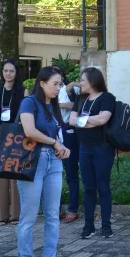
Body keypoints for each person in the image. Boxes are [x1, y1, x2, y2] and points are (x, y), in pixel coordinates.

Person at [16, 67, 71, 257]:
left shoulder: (53, 106)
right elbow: (29, 131)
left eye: (60, 84)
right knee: (29, 215)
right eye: (55, 84)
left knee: (52, 214)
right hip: (33, 160)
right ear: (42, 83)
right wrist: (54, 143)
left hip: (54, 161)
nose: (58, 88)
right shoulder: (28, 102)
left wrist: (61, 147)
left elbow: (55, 133)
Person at [69, 67, 118, 238]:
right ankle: (88, 225)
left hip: (103, 148)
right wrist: (90, 121)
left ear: (93, 81)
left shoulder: (107, 98)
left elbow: (103, 119)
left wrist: (82, 121)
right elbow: (71, 120)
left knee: (103, 187)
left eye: (83, 80)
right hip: (84, 148)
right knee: (88, 188)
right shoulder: (81, 99)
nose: (80, 83)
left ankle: (106, 225)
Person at [0, 59, 26, 225]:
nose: (8, 74)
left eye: (11, 71)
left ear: (16, 73)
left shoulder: (23, 91)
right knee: (1, 176)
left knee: (15, 176)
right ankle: (2, 215)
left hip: (17, 138)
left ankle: (16, 215)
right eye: (5, 71)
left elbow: (26, 115)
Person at [57, 74, 82, 224]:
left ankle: (73, 209)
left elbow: (77, 105)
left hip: (68, 132)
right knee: (54, 174)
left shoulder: (71, 91)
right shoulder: (43, 93)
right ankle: (55, 209)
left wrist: (60, 105)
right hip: (53, 133)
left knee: (71, 172)